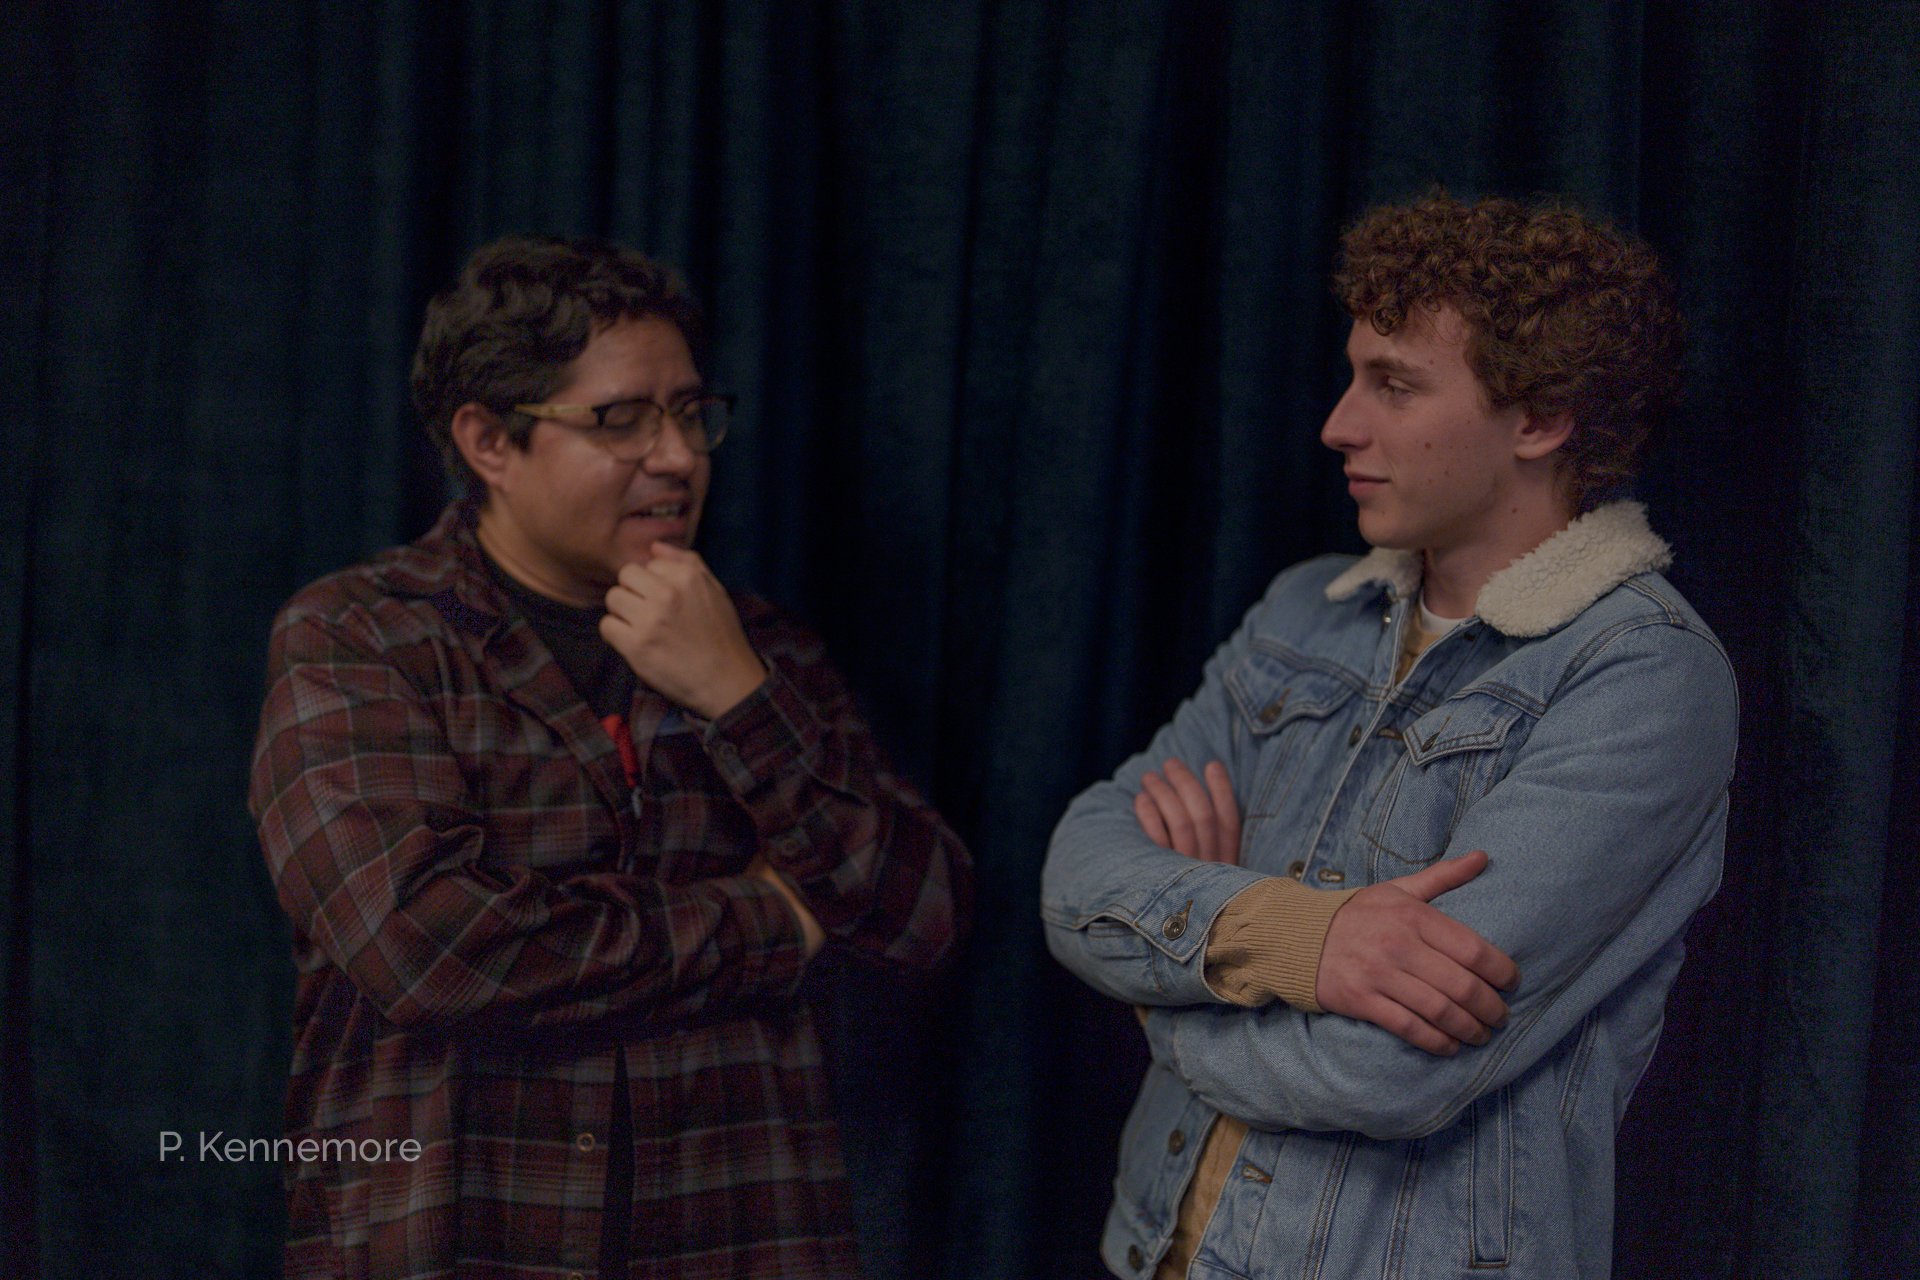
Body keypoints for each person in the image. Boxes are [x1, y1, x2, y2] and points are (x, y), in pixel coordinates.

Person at [250, 235, 972, 1279]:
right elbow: (430, 947)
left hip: (736, 1239)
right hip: (463, 1239)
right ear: (489, 441)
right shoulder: (362, 636)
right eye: (621, 420)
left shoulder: (760, 647)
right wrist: (766, 922)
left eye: (689, 413)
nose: (677, 456)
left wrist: (741, 701)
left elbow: (926, 912)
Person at [1042, 191, 1736, 1279]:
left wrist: (1157, 983)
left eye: (1395, 385)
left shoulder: (1642, 675)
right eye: (1352, 376)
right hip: (1162, 1246)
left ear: (1540, 418)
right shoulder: (1303, 611)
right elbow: (1076, 874)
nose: (1338, 425)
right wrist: (1292, 933)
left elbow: (1388, 1071)